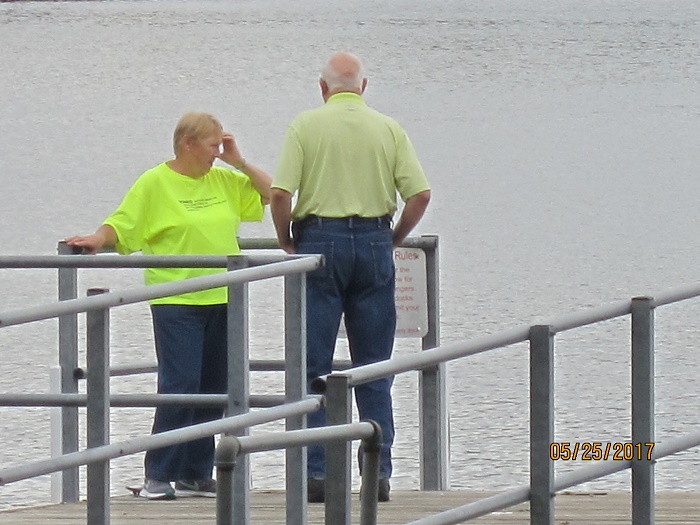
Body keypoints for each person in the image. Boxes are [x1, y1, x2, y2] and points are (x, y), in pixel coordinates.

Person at [66, 112, 271, 500]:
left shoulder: (224, 179)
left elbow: (272, 193)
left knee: (215, 388)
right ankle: (158, 473)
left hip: (224, 295)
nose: (217, 153)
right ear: (188, 144)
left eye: (220, 145)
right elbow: (124, 224)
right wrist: (97, 238)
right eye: (213, 145)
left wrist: (238, 161)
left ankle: (196, 471)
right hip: (176, 299)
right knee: (181, 385)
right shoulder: (155, 182)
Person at [270, 52, 431, 503]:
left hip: (320, 242)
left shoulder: (305, 125)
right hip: (376, 240)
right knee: (375, 367)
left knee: (312, 367)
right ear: (364, 86)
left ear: (322, 88)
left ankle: (317, 475)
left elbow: (281, 193)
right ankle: (376, 474)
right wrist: (393, 236)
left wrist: (286, 238)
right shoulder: (388, 128)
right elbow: (419, 194)